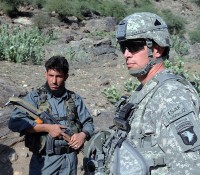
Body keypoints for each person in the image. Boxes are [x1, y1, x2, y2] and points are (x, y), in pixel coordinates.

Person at [83, 12, 200, 175]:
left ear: (157, 49)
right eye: (124, 47)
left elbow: (190, 167)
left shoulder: (171, 95)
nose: (126, 54)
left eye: (134, 46)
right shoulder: (145, 91)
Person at [8, 55, 94, 175]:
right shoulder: (35, 97)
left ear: (66, 77)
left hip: (69, 161)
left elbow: (89, 123)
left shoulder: (74, 99)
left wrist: (83, 135)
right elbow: (14, 122)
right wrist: (47, 128)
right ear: (45, 74)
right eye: (51, 75)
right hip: (44, 162)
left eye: (58, 76)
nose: (54, 81)